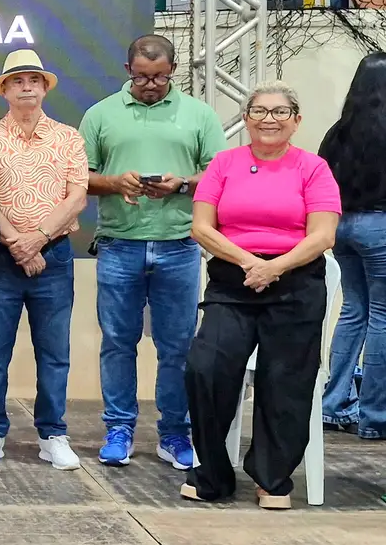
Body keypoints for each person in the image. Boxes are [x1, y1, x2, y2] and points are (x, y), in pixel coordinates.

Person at [182, 82, 340, 508]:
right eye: (259, 111)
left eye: (280, 111)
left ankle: (272, 477)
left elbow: (323, 235)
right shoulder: (224, 164)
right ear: (246, 118)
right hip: (233, 283)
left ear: (296, 120)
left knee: (285, 377)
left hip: (296, 284)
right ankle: (213, 474)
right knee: (205, 368)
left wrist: (275, 267)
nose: (269, 119)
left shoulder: (313, 168)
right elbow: (201, 227)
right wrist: (250, 263)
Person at [79, 34, 226, 470]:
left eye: (159, 77)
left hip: (179, 245)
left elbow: (219, 175)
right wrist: (115, 182)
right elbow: (79, 177)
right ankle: (118, 429)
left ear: (173, 70)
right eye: (142, 77)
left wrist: (181, 184)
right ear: (128, 71)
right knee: (117, 343)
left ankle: (175, 433)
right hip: (118, 244)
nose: (150, 86)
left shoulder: (199, 115)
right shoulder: (100, 114)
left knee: (177, 346)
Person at [0, 49, 87, 472]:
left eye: (33, 80)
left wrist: (37, 239)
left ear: (44, 88)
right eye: (17, 81)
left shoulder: (68, 137)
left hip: (53, 255)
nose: (26, 88)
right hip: (1, 257)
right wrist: (18, 242)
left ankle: (52, 434)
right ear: (4, 90)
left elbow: (77, 196)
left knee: (54, 352)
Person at [318, 52, 386, 438]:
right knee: (383, 316)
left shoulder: (337, 132)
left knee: (353, 311)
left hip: (340, 225)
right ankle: (376, 416)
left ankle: (333, 404)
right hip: (380, 227)